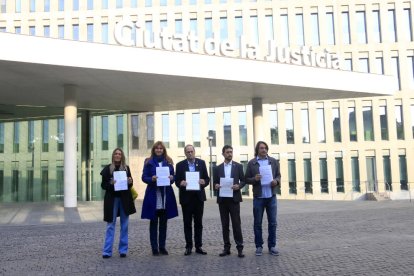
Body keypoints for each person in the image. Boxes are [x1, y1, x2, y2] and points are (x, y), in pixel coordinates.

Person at [141, 141, 178, 256]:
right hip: (154, 195)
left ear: (163, 150)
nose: (159, 150)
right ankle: (154, 248)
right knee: (153, 222)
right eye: (157, 148)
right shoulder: (148, 162)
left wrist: (172, 178)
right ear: (154, 150)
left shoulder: (169, 162)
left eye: (161, 148)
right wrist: (151, 178)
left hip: (166, 195)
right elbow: (144, 177)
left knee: (163, 223)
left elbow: (173, 177)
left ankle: (162, 246)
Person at [245, 141, 281, 256]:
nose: (264, 150)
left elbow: (279, 175)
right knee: (257, 223)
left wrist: (276, 181)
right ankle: (259, 246)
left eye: (265, 148)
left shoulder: (273, 161)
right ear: (257, 150)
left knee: (273, 223)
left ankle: (272, 246)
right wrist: (254, 179)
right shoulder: (252, 163)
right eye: (261, 148)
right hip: (258, 197)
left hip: (271, 196)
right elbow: (246, 179)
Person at [101, 148, 136, 259]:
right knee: (110, 225)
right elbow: (103, 185)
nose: (117, 155)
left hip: (124, 199)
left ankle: (123, 250)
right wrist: (111, 183)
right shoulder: (107, 169)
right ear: (113, 156)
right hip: (112, 199)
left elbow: (130, 184)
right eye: (116, 153)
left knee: (124, 225)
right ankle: (107, 251)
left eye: (119, 154)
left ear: (122, 156)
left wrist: (130, 182)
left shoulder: (126, 168)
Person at [175, 144, 210, 256]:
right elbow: (177, 181)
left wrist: (204, 182)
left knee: (198, 223)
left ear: (194, 152)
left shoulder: (201, 163)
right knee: (187, 223)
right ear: (185, 153)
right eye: (188, 152)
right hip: (186, 198)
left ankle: (198, 246)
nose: (190, 153)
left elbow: (207, 179)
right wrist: (181, 183)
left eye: (191, 151)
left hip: (198, 198)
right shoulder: (180, 165)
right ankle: (188, 246)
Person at [213, 145, 245, 258]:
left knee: (236, 224)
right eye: (227, 152)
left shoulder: (238, 166)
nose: (230, 154)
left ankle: (240, 248)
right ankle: (226, 248)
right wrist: (216, 186)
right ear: (223, 154)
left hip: (234, 199)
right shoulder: (217, 168)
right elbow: (214, 183)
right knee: (225, 224)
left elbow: (244, 181)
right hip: (222, 200)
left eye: (231, 152)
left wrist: (239, 186)